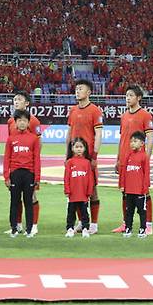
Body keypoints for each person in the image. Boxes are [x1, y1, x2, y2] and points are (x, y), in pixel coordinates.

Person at [113, 85, 153, 235]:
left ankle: (148, 224)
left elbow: (149, 138)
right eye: (126, 95)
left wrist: (146, 158)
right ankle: (126, 223)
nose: (128, 98)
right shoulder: (124, 116)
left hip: (138, 161)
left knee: (144, 192)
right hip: (125, 160)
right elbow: (122, 139)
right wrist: (118, 159)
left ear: (139, 98)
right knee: (125, 192)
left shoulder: (145, 115)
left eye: (131, 95)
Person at [66, 79, 103, 234]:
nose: (77, 91)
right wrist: (67, 154)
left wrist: (94, 155)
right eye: (76, 88)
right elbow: (69, 133)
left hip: (87, 158)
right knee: (75, 190)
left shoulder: (95, 110)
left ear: (88, 92)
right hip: (73, 158)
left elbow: (99, 134)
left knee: (92, 189)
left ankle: (93, 224)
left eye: (80, 88)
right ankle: (82, 222)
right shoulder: (73, 111)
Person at [6, 91, 42, 235]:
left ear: (27, 103)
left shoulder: (34, 121)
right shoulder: (11, 121)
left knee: (31, 196)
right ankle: (18, 224)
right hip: (16, 167)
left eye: (19, 99)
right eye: (14, 99)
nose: (16, 102)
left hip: (29, 167)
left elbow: (38, 144)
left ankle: (33, 225)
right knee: (16, 197)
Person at [122, 131, 150, 239]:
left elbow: (146, 173)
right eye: (131, 141)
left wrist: (145, 187)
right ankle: (128, 228)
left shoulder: (144, 156)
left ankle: (142, 229)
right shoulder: (128, 155)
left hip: (139, 190)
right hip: (129, 190)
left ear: (142, 143)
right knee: (129, 211)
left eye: (135, 141)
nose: (132, 144)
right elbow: (124, 171)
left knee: (142, 211)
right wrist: (123, 185)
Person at [64, 137, 93, 238]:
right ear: (72, 148)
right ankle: (70, 228)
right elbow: (66, 177)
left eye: (81, 147)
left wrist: (89, 192)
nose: (79, 149)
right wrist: (67, 190)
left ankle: (85, 228)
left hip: (83, 194)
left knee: (84, 212)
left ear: (85, 148)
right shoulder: (69, 162)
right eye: (77, 147)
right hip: (72, 194)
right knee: (71, 212)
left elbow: (90, 179)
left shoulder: (87, 163)